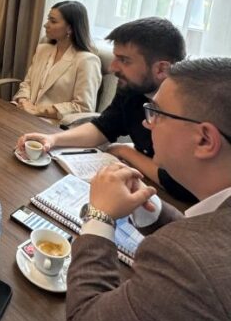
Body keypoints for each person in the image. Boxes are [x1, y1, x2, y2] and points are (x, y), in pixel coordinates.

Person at [65, 58, 231, 321]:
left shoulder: (186, 262)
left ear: (204, 139)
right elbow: (208, 242)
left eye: (157, 113)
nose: (146, 124)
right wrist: (149, 207)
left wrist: (99, 217)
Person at [17, 17, 195, 202]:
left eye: (124, 60)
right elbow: (104, 127)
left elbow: (179, 184)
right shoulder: (131, 89)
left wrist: (124, 150)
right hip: (144, 184)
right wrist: (53, 139)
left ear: (161, 69)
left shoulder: (190, 109)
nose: (112, 67)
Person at [13, 1, 101, 121]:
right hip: (23, 113)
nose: (46, 25)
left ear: (70, 28)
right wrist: (24, 102)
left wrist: (37, 110)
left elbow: (83, 107)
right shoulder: (42, 50)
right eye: (48, 19)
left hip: (51, 123)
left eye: (53, 21)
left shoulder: (87, 61)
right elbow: (27, 84)